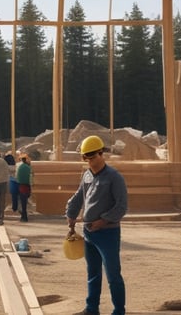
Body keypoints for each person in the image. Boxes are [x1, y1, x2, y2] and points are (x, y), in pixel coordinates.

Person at [66, 135, 127, 315]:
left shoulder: (114, 178)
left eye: (93, 157)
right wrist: (70, 215)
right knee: (93, 273)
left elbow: (121, 206)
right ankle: (92, 309)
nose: (90, 161)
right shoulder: (86, 175)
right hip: (89, 233)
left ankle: (119, 311)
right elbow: (79, 197)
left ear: (102, 153)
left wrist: (103, 221)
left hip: (107, 234)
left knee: (113, 275)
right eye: (86, 158)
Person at [16, 154, 32, 222]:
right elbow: (31, 178)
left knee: (22, 202)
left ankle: (24, 216)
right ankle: (24, 216)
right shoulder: (28, 168)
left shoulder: (19, 167)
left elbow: (17, 177)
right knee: (25, 202)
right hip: (27, 186)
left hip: (21, 186)